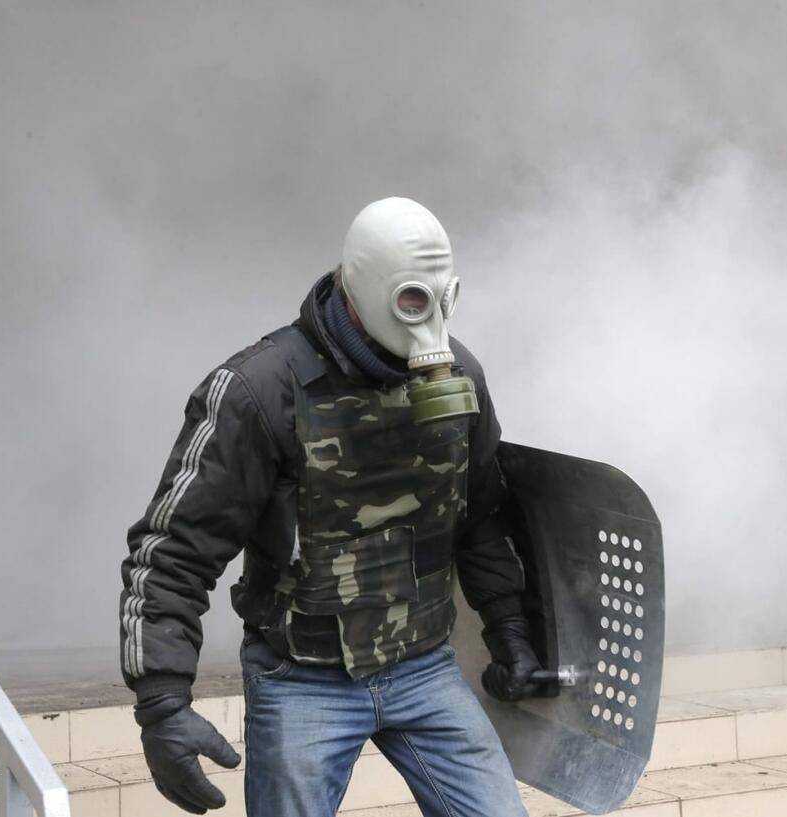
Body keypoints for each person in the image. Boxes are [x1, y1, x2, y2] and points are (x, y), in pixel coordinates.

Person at [119, 197, 542, 817]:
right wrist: (161, 701)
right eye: (412, 300)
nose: (428, 329)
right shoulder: (260, 390)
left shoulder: (459, 379)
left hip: (423, 666)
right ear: (359, 287)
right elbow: (174, 550)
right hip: (303, 677)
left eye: (439, 299)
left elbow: (477, 516)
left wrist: (510, 631)